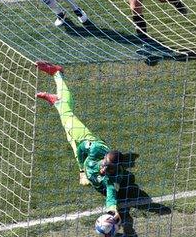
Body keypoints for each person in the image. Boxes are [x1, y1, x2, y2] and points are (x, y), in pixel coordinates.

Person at [35, 60, 169, 236]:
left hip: (86, 150)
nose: (104, 168)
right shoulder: (96, 150)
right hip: (83, 137)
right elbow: (82, 148)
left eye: (109, 168)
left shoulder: (110, 180)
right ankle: (57, 74)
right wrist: (81, 169)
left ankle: (57, 100)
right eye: (106, 164)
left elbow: (111, 196)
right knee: (66, 111)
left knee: (65, 115)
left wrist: (113, 213)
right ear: (104, 158)